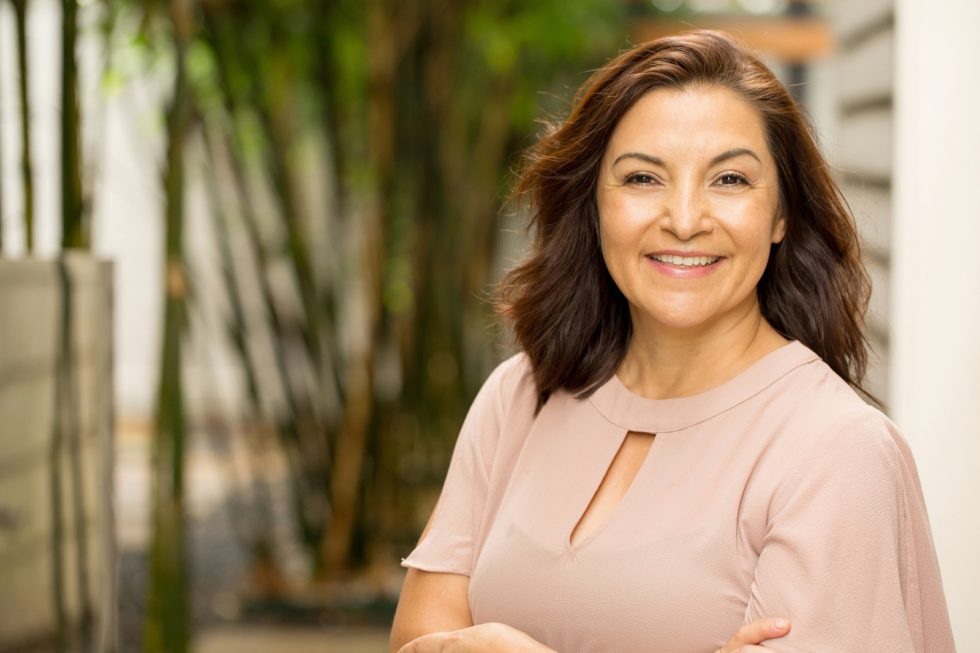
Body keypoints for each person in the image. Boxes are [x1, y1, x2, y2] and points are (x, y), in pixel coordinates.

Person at [389, 30, 955, 653]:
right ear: (594, 204)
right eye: (642, 179)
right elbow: (419, 640)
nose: (684, 220)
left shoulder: (836, 453)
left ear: (781, 215)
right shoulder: (519, 398)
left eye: (731, 180)